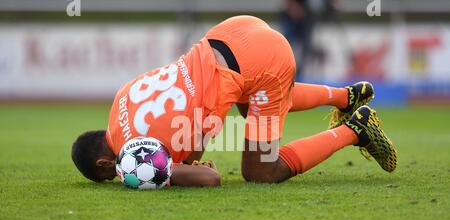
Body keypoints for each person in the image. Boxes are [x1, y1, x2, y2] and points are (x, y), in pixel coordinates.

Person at [72, 15, 397, 187]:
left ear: (105, 164)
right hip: (230, 33)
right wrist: (188, 156)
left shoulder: (138, 157)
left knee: (260, 172)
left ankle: (356, 128)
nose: (117, 177)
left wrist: (186, 165)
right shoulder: (120, 99)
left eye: (109, 177)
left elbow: (208, 169)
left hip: (263, 62)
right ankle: (344, 97)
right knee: (252, 102)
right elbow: (189, 104)